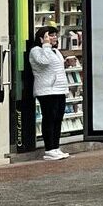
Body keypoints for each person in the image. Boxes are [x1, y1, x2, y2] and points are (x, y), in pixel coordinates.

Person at [29, 25, 69, 161]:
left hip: (59, 89)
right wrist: (45, 46)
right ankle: (49, 149)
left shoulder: (55, 51)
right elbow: (44, 62)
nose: (54, 38)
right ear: (42, 38)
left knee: (58, 119)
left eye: (54, 35)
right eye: (50, 35)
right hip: (46, 90)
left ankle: (55, 147)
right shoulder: (36, 51)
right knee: (49, 118)